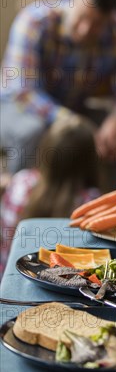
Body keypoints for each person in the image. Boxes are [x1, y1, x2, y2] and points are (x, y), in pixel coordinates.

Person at [0, 0, 116, 189]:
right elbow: (24, 91)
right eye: (82, 17)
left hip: (73, 108)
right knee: (33, 131)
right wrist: (75, 123)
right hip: (15, 107)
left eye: (96, 23)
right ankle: (17, 211)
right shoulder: (34, 22)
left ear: (111, 17)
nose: (85, 29)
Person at [0, 115, 100, 277]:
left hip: (9, 278)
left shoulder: (20, 183)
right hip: (63, 285)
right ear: (89, 161)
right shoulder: (91, 202)